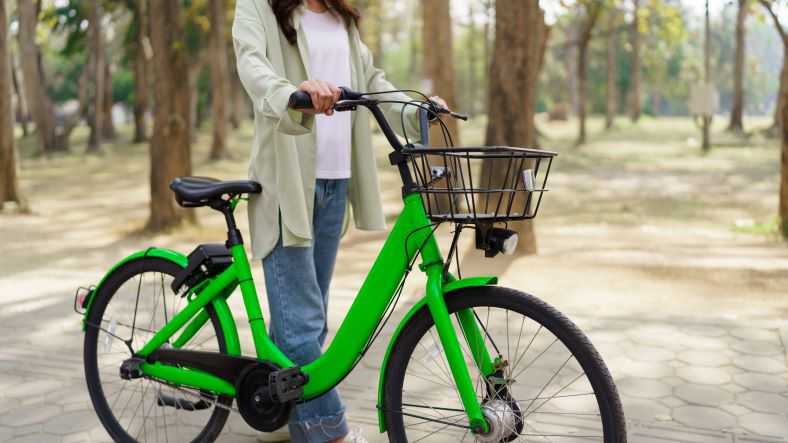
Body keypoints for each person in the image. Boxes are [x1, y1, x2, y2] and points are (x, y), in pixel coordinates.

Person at [232, 1, 448, 442]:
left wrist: (414, 110)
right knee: (302, 323)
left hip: (334, 180)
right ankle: (329, 432)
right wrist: (291, 93)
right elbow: (252, 65)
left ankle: (279, 415)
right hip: (286, 181)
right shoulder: (258, 6)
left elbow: (371, 82)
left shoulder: (339, 15)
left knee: (306, 319)